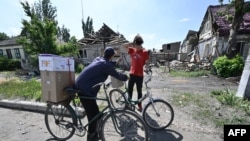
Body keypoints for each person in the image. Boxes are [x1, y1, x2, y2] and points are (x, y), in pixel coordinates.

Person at [75, 47, 128, 141]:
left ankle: (97, 130)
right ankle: (91, 137)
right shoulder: (106, 65)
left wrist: (115, 63)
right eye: (113, 56)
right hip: (84, 89)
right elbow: (116, 75)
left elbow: (107, 65)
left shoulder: (99, 59)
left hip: (83, 85)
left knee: (96, 113)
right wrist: (126, 77)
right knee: (92, 116)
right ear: (111, 56)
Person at [123, 34, 149, 112]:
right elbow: (123, 46)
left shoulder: (145, 52)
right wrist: (131, 43)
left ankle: (139, 105)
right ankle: (129, 103)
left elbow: (147, 63)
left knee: (139, 91)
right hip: (132, 74)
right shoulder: (132, 49)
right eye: (136, 45)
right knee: (130, 89)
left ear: (141, 44)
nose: (137, 47)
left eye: (138, 45)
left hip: (140, 75)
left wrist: (147, 68)